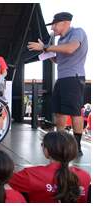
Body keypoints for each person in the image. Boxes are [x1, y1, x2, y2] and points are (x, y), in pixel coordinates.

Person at [27, 12, 88, 156]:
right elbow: (59, 59)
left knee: (74, 112)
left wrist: (47, 48)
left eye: (54, 24)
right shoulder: (60, 41)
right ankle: (60, 142)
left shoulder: (77, 32)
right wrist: (47, 54)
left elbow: (70, 48)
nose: (52, 28)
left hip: (74, 77)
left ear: (64, 23)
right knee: (59, 112)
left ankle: (77, 146)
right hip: (61, 79)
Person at [8, 131, 90, 203]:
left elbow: (2, 180)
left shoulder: (30, 175)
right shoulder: (85, 176)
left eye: (42, 144)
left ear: (47, 151)